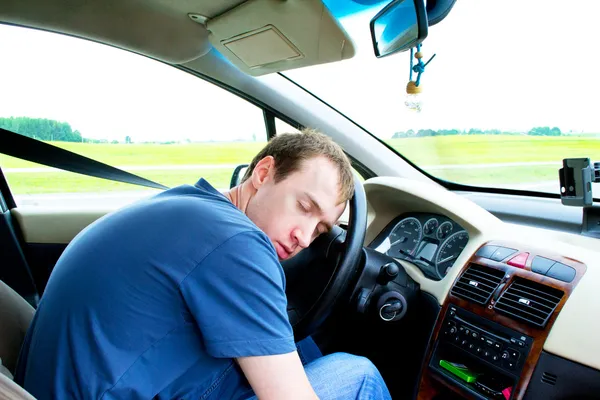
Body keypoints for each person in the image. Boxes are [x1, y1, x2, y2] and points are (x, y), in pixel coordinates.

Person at [15, 129, 392, 399]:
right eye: (304, 207)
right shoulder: (237, 244)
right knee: (357, 375)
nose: (305, 238)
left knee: (303, 347)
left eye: (322, 228)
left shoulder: (190, 207)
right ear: (263, 174)